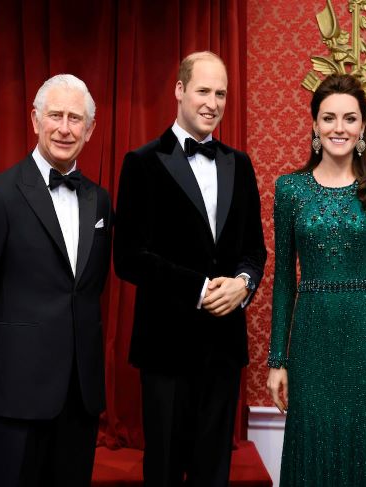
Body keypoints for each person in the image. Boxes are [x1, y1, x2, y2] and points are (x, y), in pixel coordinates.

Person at [266, 73, 366, 486]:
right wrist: (277, 360)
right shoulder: (289, 190)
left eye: (349, 118)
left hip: (363, 337)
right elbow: (284, 281)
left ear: (362, 128)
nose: (339, 127)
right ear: (315, 126)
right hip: (310, 340)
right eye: (329, 118)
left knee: (363, 450)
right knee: (311, 450)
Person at [113, 51, 267, 486]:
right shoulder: (141, 163)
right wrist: (200, 288)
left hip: (223, 347)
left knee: (213, 472)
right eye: (203, 90)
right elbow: (128, 257)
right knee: (162, 470)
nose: (212, 102)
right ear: (180, 91)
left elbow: (254, 250)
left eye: (221, 93)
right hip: (165, 346)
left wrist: (243, 283)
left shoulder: (240, 164)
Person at [0, 74, 112, 487]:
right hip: (18, 390)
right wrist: (10, 347)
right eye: (55, 115)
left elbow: (90, 290)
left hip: (80, 395)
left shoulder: (101, 199)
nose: (64, 127)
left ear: (90, 129)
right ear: (35, 120)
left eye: (75, 118)